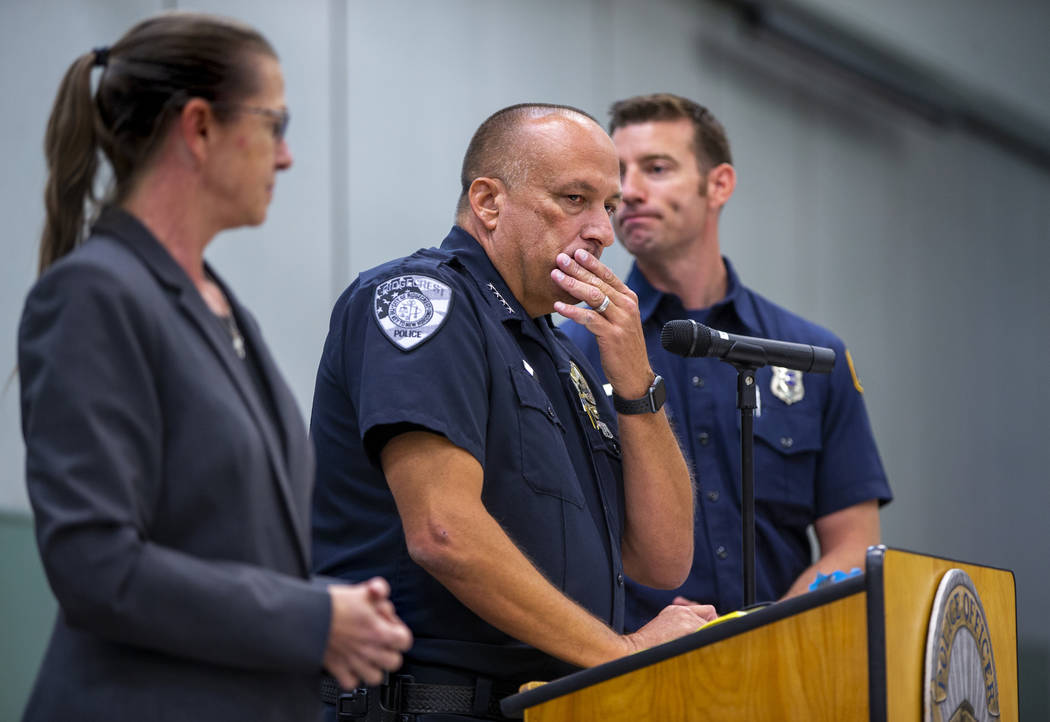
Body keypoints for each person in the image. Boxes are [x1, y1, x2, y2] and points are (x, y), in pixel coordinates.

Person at [17, 12, 411, 722]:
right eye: (274, 124)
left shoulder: (222, 307)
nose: (286, 157)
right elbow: (94, 568)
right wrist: (310, 617)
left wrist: (332, 614)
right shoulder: (93, 294)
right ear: (198, 128)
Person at [310, 103, 716, 720]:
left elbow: (661, 559)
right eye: (575, 199)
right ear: (489, 202)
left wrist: (636, 379)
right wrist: (621, 652)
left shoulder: (563, 355)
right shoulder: (425, 301)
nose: (603, 231)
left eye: (607, 207)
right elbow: (442, 532)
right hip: (420, 703)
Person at [562, 93, 893, 628]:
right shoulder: (573, 348)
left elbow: (855, 548)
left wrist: (763, 640)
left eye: (658, 168)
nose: (632, 192)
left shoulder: (811, 356)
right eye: (622, 174)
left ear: (719, 185)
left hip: (786, 673)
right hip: (631, 674)